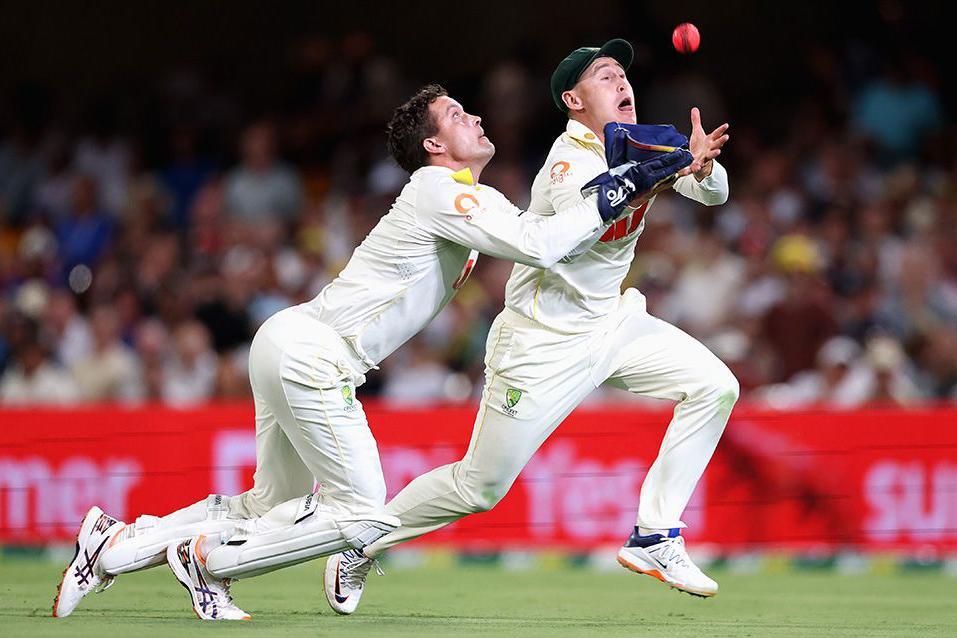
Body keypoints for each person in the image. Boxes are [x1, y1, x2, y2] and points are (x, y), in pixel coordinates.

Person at [53, 84, 688, 620]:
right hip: (315, 356)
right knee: (361, 517)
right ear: (435, 145)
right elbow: (542, 244)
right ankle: (209, 558)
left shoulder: (467, 197)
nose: (476, 118)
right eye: (457, 116)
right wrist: (625, 180)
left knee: (267, 505)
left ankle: (113, 545)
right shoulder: (439, 188)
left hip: (288, 339)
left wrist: (631, 184)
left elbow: (545, 235)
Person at [326, 37, 734, 611]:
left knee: (715, 386)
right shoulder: (567, 165)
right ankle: (361, 541)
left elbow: (713, 195)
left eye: (623, 74)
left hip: (611, 322)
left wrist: (702, 165)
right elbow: (590, 212)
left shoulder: (641, 144)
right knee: (479, 487)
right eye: (605, 76)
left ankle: (655, 535)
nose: (622, 84)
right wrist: (660, 166)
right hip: (540, 342)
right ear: (573, 99)